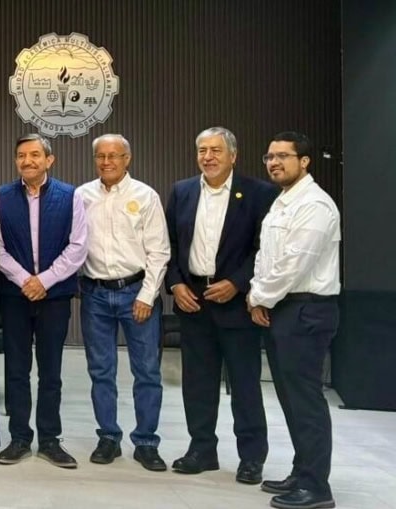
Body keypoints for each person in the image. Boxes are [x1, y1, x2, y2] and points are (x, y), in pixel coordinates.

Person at [164, 127, 278, 484]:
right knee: (197, 383)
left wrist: (238, 283)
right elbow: (169, 245)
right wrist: (176, 283)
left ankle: (251, 458)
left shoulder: (259, 193)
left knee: (244, 384)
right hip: (193, 301)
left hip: (236, 303)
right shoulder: (182, 191)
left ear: (233, 155)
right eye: (202, 150)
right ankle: (202, 450)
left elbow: (264, 248)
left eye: (215, 150)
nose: (208, 157)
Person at [249, 131, 340, 509]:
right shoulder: (283, 201)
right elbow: (265, 256)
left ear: (304, 161)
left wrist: (258, 296)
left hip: (306, 309)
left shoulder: (315, 205)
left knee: (305, 400)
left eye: (283, 156)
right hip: (283, 307)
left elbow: (293, 264)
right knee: (290, 398)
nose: (274, 162)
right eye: (270, 156)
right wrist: (259, 294)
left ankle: (316, 487)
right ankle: (302, 472)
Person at [0, 134, 88, 469]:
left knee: (51, 372)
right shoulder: (1, 196)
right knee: (16, 370)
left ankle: (49, 440)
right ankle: (19, 438)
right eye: (21, 155)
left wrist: (44, 280)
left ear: (49, 160)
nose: (27, 161)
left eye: (34, 155)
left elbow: (78, 246)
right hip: (15, 296)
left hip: (54, 296)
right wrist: (25, 280)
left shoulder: (70, 196)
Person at [76, 133, 171, 471]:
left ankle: (146, 442)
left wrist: (147, 295)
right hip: (95, 294)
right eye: (101, 156)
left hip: (136, 292)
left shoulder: (145, 196)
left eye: (114, 155)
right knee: (101, 370)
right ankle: (108, 437)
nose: (107, 162)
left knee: (146, 371)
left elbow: (159, 251)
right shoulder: (82, 196)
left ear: (127, 159)